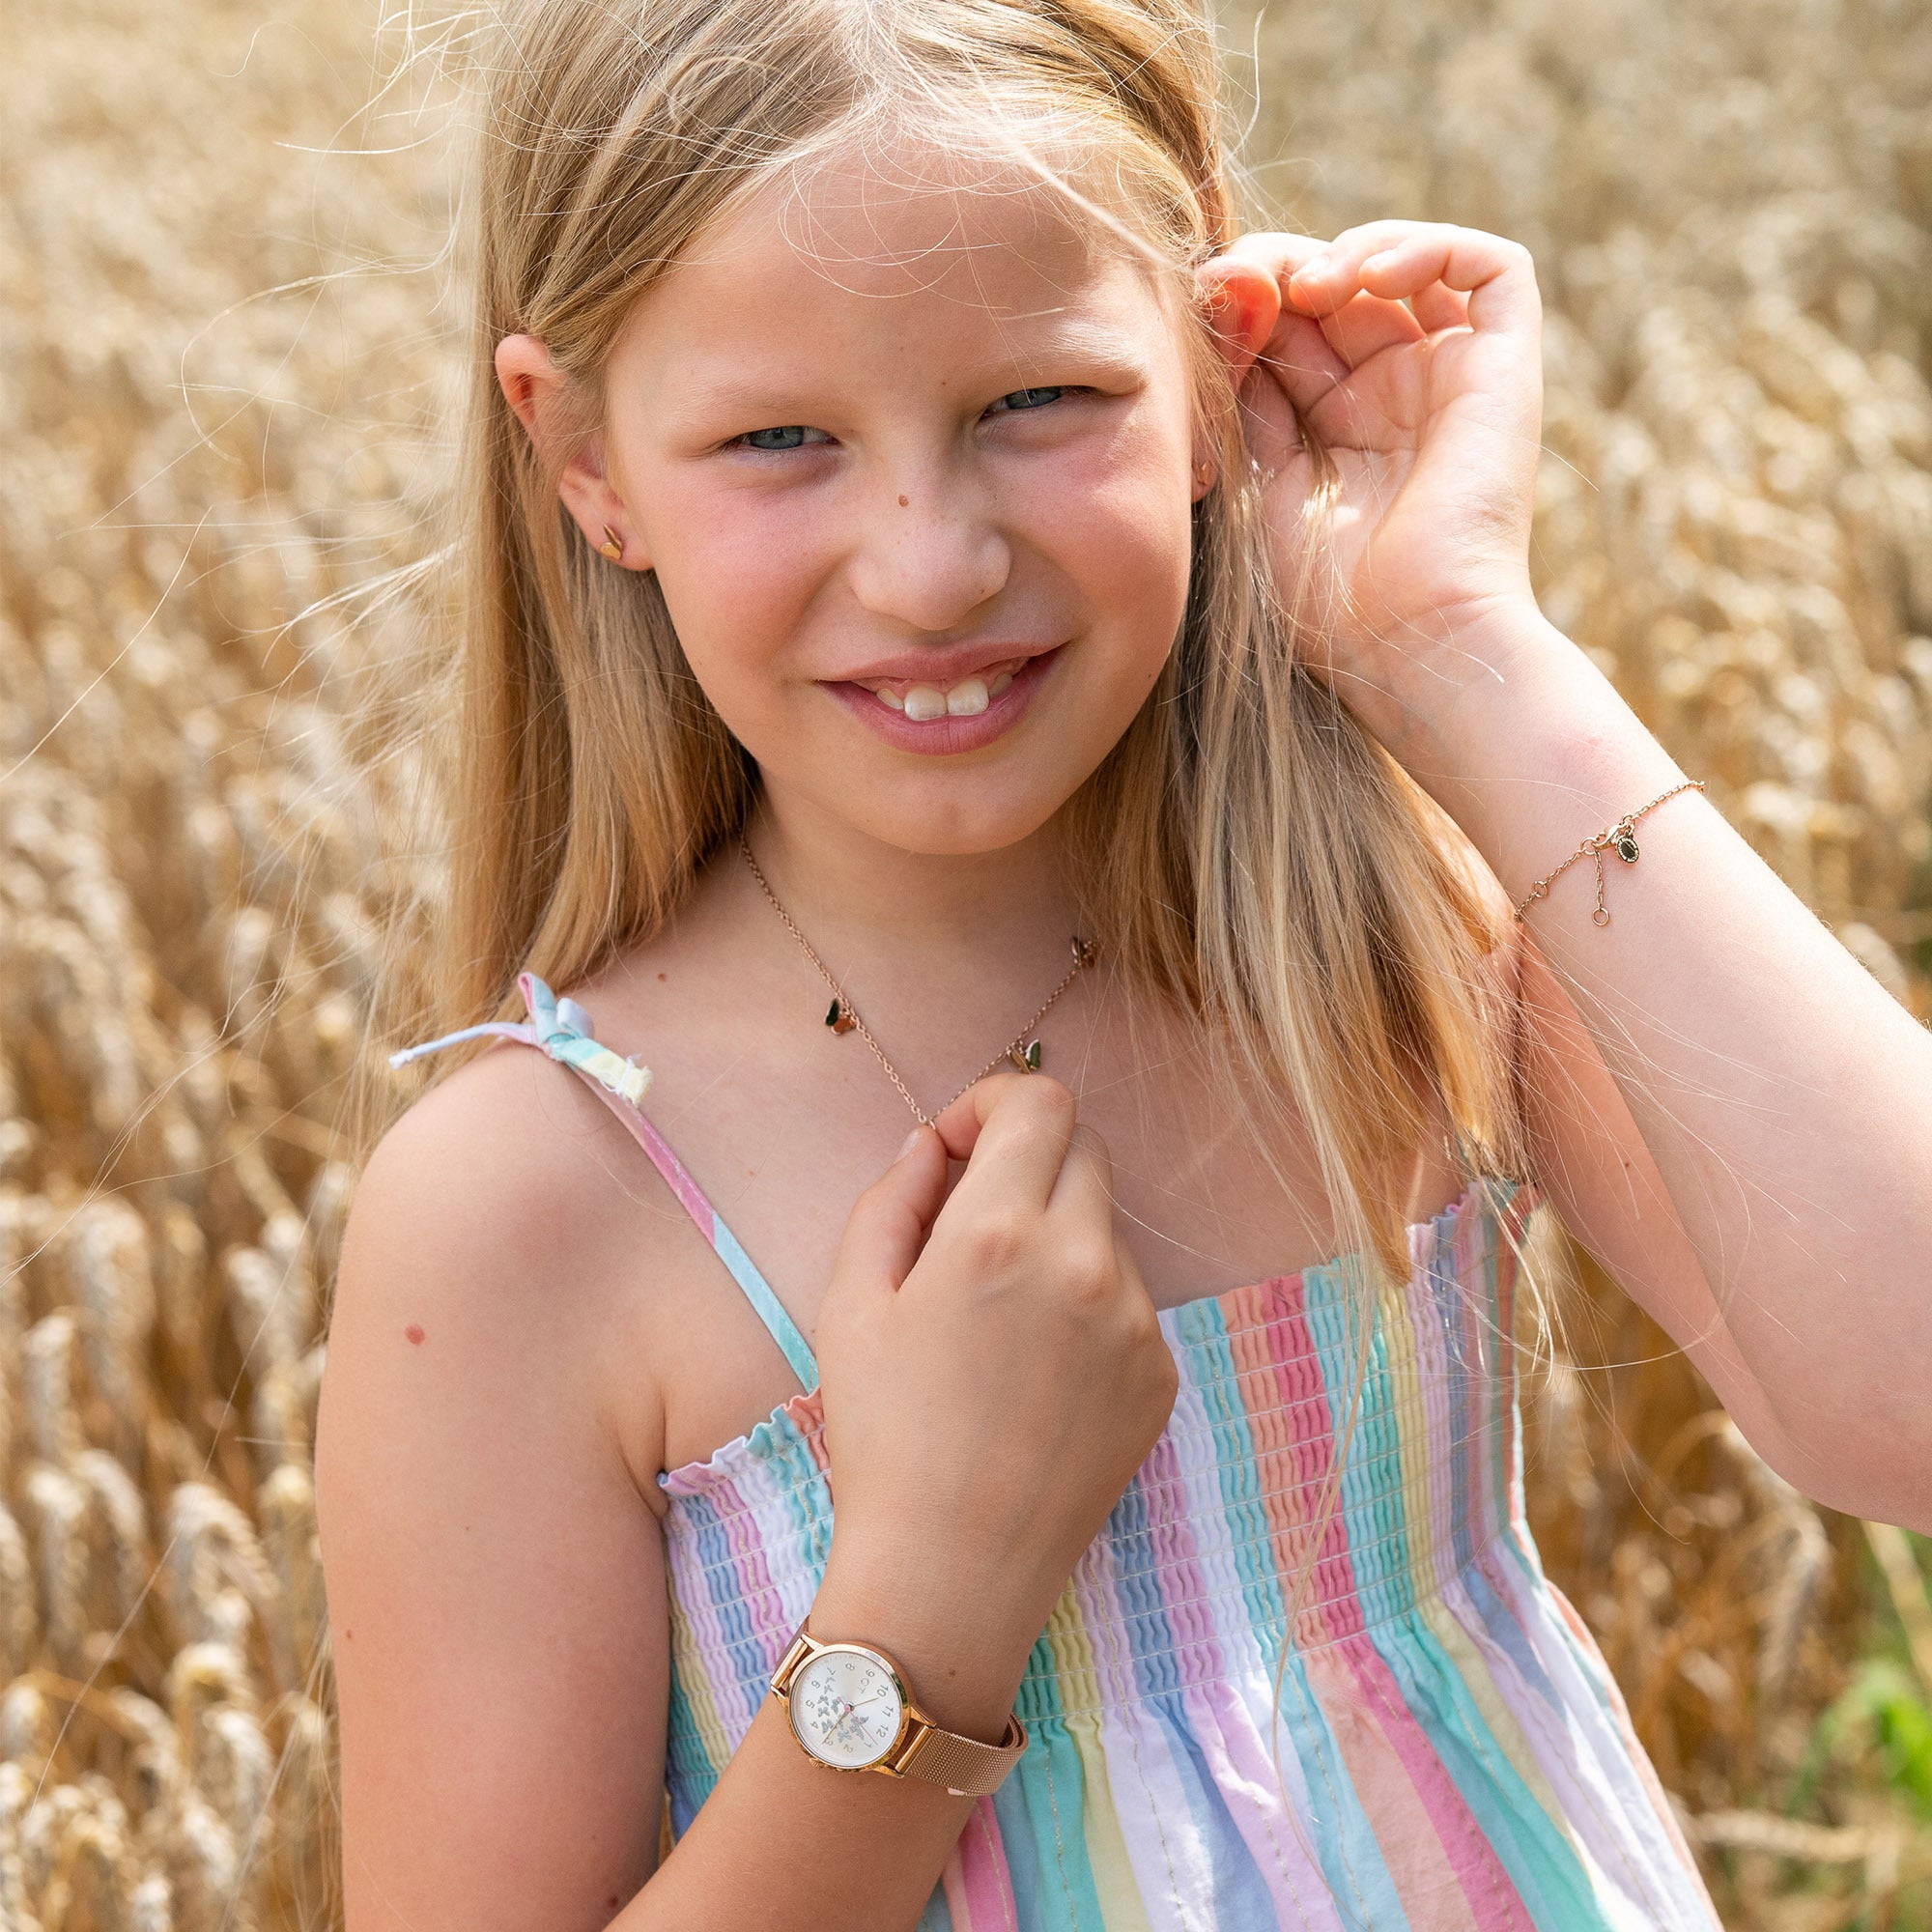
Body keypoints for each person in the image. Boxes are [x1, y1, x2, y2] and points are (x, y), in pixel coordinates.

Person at [309, 0, 1932, 1926]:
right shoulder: (531, 1210)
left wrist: (1455, 645)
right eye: (778, 440)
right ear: (584, 462)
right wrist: (927, 1599)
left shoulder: (1388, 935)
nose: (926, 563)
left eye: (1037, 403)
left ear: (1205, 353)